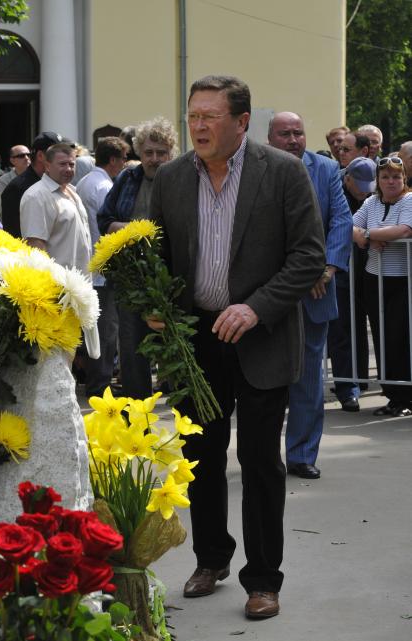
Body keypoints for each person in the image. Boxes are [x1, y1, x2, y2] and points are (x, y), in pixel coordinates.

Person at [149, 75, 326, 619]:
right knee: (200, 455)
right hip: (198, 340)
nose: (198, 126)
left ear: (242, 122)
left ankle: (263, 579)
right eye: (193, 115)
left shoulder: (284, 172)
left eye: (210, 116)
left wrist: (257, 306)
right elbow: (157, 248)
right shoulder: (174, 177)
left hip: (262, 335)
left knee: (258, 460)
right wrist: (156, 300)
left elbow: (308, 255)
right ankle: (211, 558)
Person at [268, 111, 352, 477]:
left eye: (298, 133)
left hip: (316, 290)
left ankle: (302, 454)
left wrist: (327, 267)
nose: (293, 139)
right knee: (266, 379)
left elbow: (340, 220)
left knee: (308, 379)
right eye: (284, 133)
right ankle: (264, 455)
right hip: (269, 294)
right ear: (271, 139)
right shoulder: (260, 169)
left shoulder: (327, 169)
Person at [97, 116, 179, 399]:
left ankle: (186, 416)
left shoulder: (183, 179)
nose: (154, 158)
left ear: (171, 152)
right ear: (139, 152)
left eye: (161, 152)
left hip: (172, 275)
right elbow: (105, 218)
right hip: (130, 275)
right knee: (132, 350)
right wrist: (135, 231)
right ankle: (138, 417)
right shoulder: (127, 178)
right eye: (148, 152)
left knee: (175, 347)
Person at [353, 156, 412, 417]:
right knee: (381, 336)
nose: (391, 181)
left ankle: (405, 395)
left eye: (396, 177)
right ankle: (392, 394)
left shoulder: (409, 200)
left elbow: (404, 230)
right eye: (386, 177)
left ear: (404, 179)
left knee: (399, 337)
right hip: (373, 278)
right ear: (378, 180)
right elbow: (349, 224)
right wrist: (366, 236)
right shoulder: (371, 202)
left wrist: (367, 235)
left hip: (401, 280)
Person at [76, 136, 128, 397]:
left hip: (91, 267)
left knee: (96, 332)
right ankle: (100, 386)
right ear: (114, 160)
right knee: (106, 333)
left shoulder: (86, 181)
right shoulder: (105, 186)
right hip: (102, 269)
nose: (124, 164)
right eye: (122, 159)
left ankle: (96, 381)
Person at [328, 157, 377, 404]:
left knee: (359, 328)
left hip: (365, 271)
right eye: (359, 186)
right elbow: (332, 222)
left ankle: (360, 380)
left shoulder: (370, 197)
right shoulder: (333, 189)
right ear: (347, 179)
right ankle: (348, 388)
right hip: (339, 271)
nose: (363, 192)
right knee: (341, 331)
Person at [20, 143, 91, 275]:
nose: (68, 169)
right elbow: (36, 248)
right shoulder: (37, 196)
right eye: (62, 164)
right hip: (57, 287)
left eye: (72, 164)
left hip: (81, 285)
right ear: (47, 165)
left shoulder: (73, 191)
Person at [1, 131, 62, 237]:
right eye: (56, 153)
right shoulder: (17, 188)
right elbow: (15, 235)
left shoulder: (60, 184)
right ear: (40, 156)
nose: (63, 157)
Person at [0, 145, 31, 215]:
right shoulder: (3, 181)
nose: (26, 158)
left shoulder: (39, 177)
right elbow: (4, 208)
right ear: (12, 160)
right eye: (21, 156)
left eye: (29, 155)